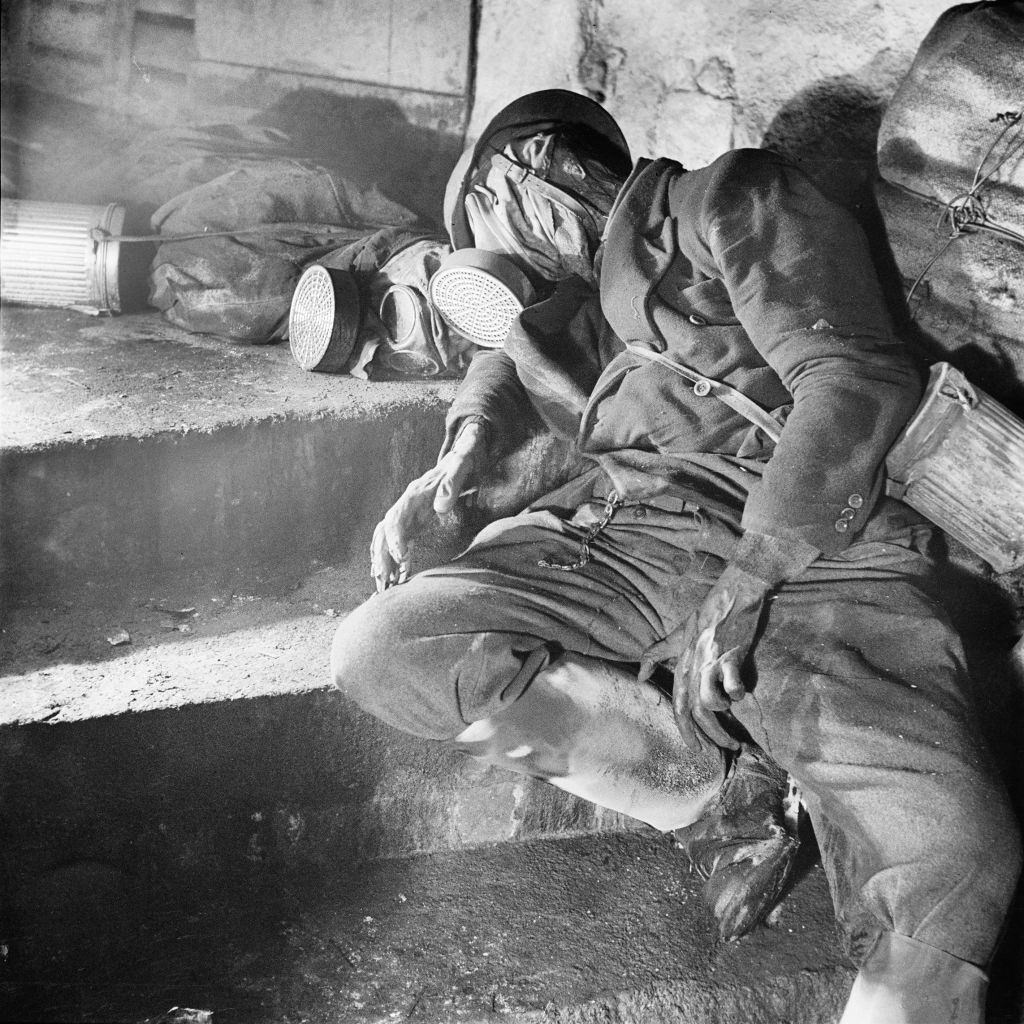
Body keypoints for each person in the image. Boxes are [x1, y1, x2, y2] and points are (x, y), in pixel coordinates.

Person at [331, 90, 1021, 1023]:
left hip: (819, 545)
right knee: (383, 648)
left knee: (955, 858)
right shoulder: (576, 299)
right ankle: (721, 804)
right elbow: (502, 356)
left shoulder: (723, 199)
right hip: (626, 535)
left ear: (551, 171)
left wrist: (752, 578)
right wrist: (453, 463)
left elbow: (852, 376)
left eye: (491, 213)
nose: (508, 260)